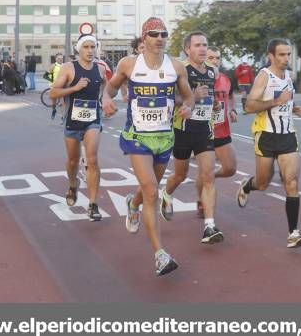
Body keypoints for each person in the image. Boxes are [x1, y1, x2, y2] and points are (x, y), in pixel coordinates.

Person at [102, 17, 194, 276]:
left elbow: (187, 96)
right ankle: (160, 255)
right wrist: (106, 100)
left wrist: (188, 106)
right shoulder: (129, 64)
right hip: (137, 137)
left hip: (164, 137)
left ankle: (133, 203)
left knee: (148, 189)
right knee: (152, 192)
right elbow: (108, 89)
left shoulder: (176, 66)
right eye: (154, 33)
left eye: (164, 33)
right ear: (144, 38)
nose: (160, 37)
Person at [236, 38, 301, 248]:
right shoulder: (263, 76)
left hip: (287, 135)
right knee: (263, 182)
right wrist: (277, 101)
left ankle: (293, 233)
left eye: (288, 54)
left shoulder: (289, 75)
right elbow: (249, 106)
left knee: (292, 182)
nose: (287, 58)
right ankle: (248, 185)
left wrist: (292, 107)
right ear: (271, 56)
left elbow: (286, 98)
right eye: (282, 54)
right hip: (266, 135)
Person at [160, 31, 225, 245]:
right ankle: (167, 194)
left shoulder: (213, 72)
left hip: (204, 130)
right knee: (180, 175)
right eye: (197, 45)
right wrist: (192, 98)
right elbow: (170, 97)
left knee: (208, 177)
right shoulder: (180, 70)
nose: (203, 49)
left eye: (205, 44)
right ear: (188, 49)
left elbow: (210, 96)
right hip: (182, 129)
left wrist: (213, 104)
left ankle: (209, 225)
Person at [50, 34, 106, 222]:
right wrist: (74, 88)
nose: (90, 51)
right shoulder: (68, 68)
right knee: (73, 161)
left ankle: (92, 204)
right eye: (86, 47)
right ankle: (73, 184)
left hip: (93, 120)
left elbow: (105, 87)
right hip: (72, 122)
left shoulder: (100, 69)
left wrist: (104, 99)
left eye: (93, 47)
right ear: (79, 49)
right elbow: (53, 92)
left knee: (92, 159)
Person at [198, 46, 238, 217]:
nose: (215, 61)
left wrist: (233, 110)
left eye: (217, 58)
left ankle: (207, 177)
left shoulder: (225, 79)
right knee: (202, 173)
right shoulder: (197, 79)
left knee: (230, 169)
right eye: (211, 58)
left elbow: (230, 96)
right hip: (203, 131)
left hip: (222, 130)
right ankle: (202, 202)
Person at [48, 54, 64, 120]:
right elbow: (48, 76)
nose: (60, 59)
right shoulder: (53, 66)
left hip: (63, 87)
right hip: (54, 87)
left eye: (62, 58)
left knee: (62, 102)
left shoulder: (65, 66)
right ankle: (54, 110)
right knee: (54, 102)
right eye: (59, 58)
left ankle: (63, 116)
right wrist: (50, 85)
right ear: (56, 59)